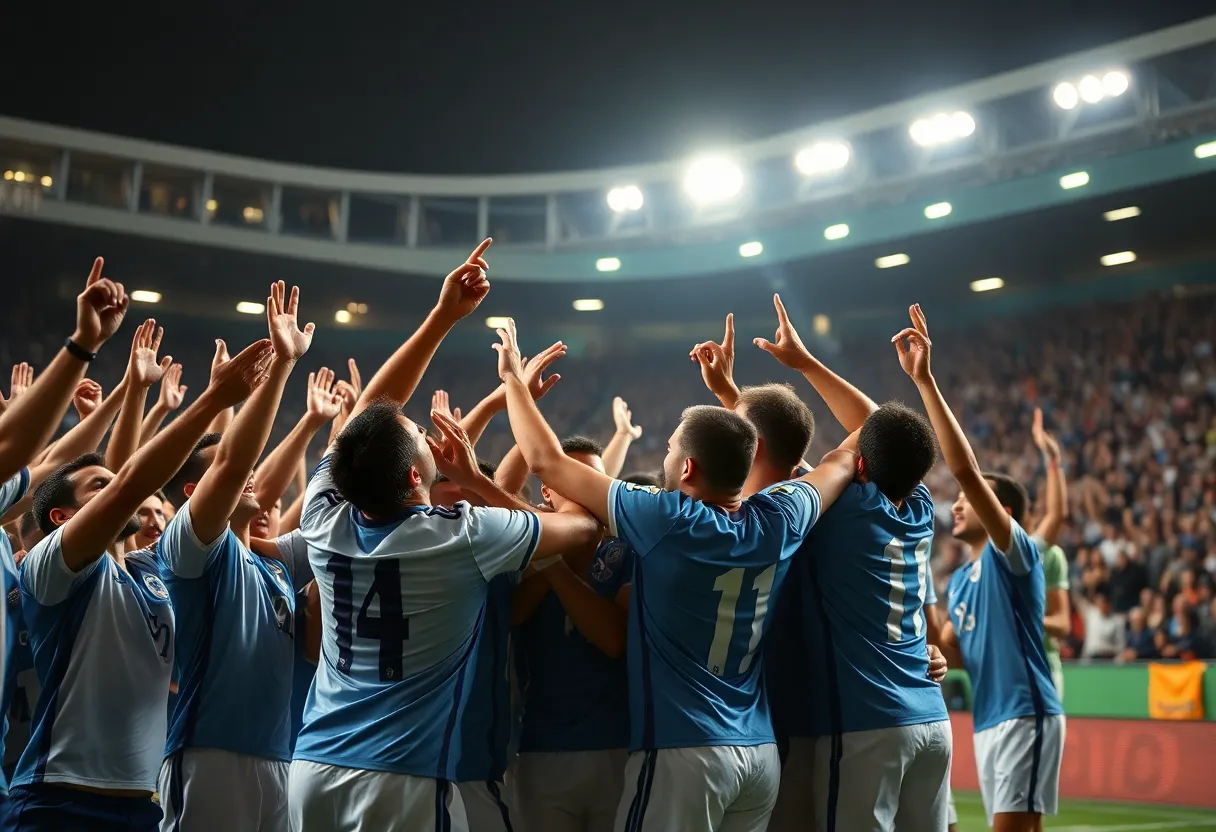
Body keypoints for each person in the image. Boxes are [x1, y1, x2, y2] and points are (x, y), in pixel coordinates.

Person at [493, 315, 859, 832]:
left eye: (670, 449)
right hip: (759, 754)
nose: (665, 455)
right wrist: (741, 397)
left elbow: (545, 462)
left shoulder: (666, 519)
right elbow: (846, 451)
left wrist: (512, 378)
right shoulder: (782, 516)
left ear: (687, 468)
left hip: (685, 751)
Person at [288, 240, 602, 832]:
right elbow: (583, 526)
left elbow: (367, 416)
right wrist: (479, 476)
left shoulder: (322, 518)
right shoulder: (463, 536)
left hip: (313, 765)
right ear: (416, 475)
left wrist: (442, 316)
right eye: (417, 435)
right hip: (401, 776)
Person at [698, 300, 951, 832]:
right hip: (924, 710)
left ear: (860, 466)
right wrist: (737, 394)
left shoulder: (839, 511)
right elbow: (873, 435)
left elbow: (852, 440)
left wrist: (793, 367)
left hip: (850, 718)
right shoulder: (919, 507)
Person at [10, 334, 273, 832]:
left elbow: (216, 479)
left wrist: (231, 407)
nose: (118, 489)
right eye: (98, 487)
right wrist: (211, 399)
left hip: (141, 803)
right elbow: (131, 480)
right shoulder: (51, 567)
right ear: (62, 517)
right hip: (60, 798)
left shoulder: (150, 570)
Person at [155, 282, 324, 832]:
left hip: (280, 756)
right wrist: (282, 366)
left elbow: (344, 498)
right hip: (210, 753)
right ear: (192, 494)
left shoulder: (276, 564)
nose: (251, 472)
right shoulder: (193, 550)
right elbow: (232, 463)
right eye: (232, 470)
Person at [894, 304, 1064, 832]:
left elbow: (964, 471)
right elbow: (952, 651)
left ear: (1001, 512)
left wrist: (924, 381)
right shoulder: (961, 581)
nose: (960, 503)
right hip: (989, 718)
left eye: (972, 499)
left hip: (1024, 711)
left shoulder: (1012, 554)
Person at [511, 436, 636, 832]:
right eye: (569, 480)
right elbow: (509, 617)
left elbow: (613, 641)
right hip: (542, 747)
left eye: (591, 480)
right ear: (546, 492)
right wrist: (553, 546)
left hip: (618, 744)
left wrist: (554, 562)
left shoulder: (627, 553)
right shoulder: (521, 555)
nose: (582, 490)